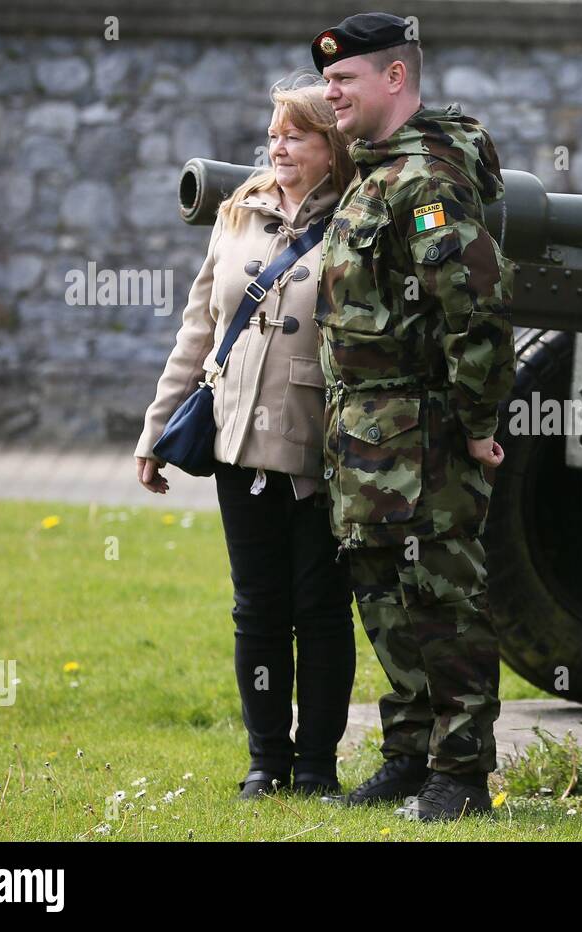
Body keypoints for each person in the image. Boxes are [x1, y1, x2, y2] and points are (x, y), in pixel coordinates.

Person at [309, 12, 515, 821]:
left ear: (395, 77)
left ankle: (461, 775)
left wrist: (476, 421)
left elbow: (478, 307)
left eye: (344, 80)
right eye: (327, 81)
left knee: (441, 597)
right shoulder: (373, 171)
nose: (331, 94)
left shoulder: (426, 178)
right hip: (363, 433)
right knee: (384, 596)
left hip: (423, 430)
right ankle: (409, 756)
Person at [134, 78, 357, 800]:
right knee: (256, 607)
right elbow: (198, 328)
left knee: (320, 609)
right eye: (274, 133)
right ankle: (266, 764)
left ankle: (318, 767)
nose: (278, 145)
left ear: (332, 146)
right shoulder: (238, 213)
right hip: (236, 445)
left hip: (321, 450)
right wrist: (155, 431)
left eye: (296, 134)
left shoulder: (361, 218)